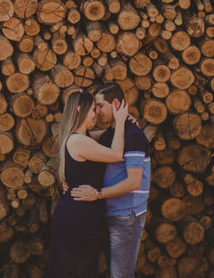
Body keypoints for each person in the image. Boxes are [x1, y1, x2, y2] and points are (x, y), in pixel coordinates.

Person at [70, 83, 152, 278]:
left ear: (116, 104)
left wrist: (97, 194)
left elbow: (134, 182)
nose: (97, 112)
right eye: (95, 108)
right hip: (112, 213)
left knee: (120, 275)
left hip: (126, 216)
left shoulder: (132, 136)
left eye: (100, 106)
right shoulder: (113, 135)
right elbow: (82, 138)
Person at [46, 89, 129, 278]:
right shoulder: (78, 141)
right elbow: (116, 154)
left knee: (81, 269)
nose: (96, 114)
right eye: (93, 109)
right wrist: (122, 122)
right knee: (74, 270)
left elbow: (111, 136)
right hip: (76, 218)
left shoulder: (86, 138)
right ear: (79, 110)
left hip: (84, 216)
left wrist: (122, 124)